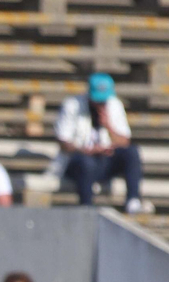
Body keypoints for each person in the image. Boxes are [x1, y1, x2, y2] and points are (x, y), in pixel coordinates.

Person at [55, 72, 149, 213]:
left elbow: (124, 141)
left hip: (103, 161)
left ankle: (133, 201)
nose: (100, 104)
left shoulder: (115, 105)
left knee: (132, 152)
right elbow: (63, 142)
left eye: (103, 100)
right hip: (78, 163)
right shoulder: (72, 105)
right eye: (97, 100)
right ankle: (86, 207)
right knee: (85, 162)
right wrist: (86, 150)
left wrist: (108, 126)